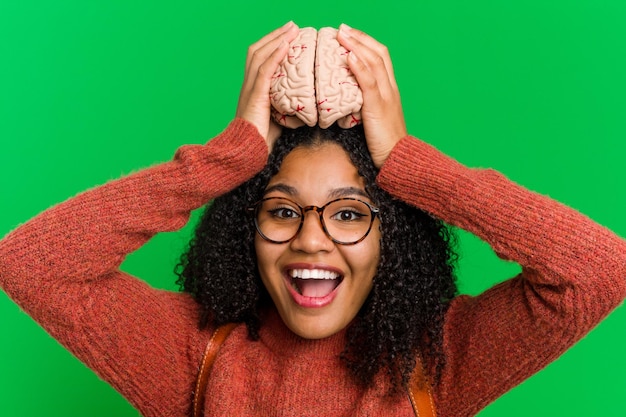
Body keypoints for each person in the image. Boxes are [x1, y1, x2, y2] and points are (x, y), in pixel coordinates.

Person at [0, 22, 624, 417]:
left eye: (350, 213)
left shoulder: (437, 361)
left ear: (391, 239)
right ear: (246, 227)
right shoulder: (195, 357)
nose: (311, 239)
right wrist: (226, 160)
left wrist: (413, 165)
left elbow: (598, 271)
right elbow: (29, 265)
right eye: (282, 210)